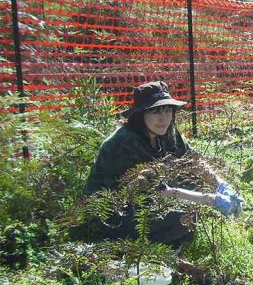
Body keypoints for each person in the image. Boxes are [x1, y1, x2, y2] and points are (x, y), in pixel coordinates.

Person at [83, 81, 243, 247]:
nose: (163, 118)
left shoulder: (166, 130)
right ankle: (138, 250)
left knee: (193, 186)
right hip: (110, 216)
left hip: (140, 202)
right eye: (156, 111)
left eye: (168, 110)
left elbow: (193, 160)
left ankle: (170, 246)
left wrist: (220, 185)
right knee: (184, 215)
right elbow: (159, 191)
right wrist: (212, 200)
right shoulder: (127, 142)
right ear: (141, 114)